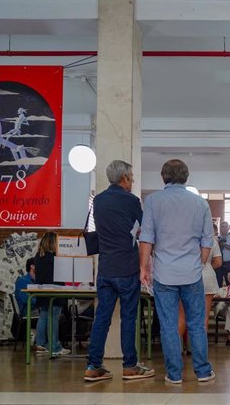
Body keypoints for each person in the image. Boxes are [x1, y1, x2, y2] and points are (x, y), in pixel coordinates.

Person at [139, 159, 215, 384]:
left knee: (169, 324)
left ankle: (174, 374)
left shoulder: (152, 201)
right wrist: (199, 264)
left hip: (164, 273)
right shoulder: (201, 203)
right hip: (192, 273)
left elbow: (147, 237)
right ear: (186, 177)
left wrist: (143, 267)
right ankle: (202, 371)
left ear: (163, 177)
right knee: (196, 323)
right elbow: (207, 242)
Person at [84, 160, 154, 382]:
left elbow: (92, 231)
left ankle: (94, 365)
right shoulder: (131, 200)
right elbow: (145, 229)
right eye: (131, 177)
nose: (132, 181)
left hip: (105, 268)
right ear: (124, 177)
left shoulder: (98, 200)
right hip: (126, 267)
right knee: (128, 317)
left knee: (101, 318)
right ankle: (130, 366)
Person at [179, 223, 223, 351]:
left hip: (186, 275)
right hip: (207, 275)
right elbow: (219, 262)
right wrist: (207, 266)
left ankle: (178, 349)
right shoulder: (211, 239)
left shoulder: (185, 238)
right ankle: (198, 350)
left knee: (182, 316)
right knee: (203, 317)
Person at [34, 232, 70, 357]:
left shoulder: (38, 257)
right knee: (53, 319)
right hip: (55, 292)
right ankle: (54, 347)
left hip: (42, 292)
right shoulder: (54, 258)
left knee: (43, 316)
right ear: (53, 243)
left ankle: (40, 344)